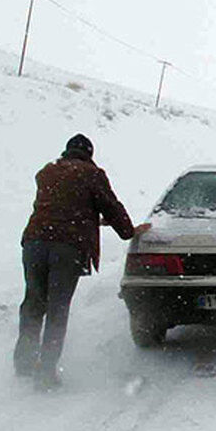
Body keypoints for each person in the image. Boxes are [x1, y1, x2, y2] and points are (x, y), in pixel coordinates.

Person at [15, 133, 147, 389]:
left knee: (33, 301)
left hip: (34, 242)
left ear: (67, 151)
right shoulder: (91, 174)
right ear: (89, 154)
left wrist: (86, 217)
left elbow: (58, 206)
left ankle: (24, 360)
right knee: (57, 307)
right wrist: (128, 231)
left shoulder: (47, 172)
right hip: (67, 247)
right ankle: (46, 372)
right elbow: (111, 206)